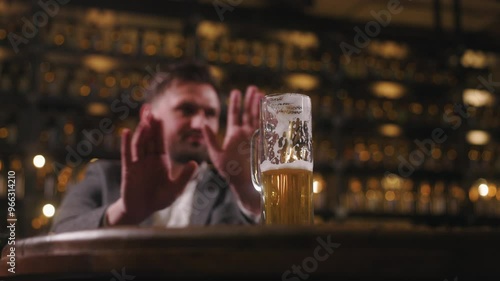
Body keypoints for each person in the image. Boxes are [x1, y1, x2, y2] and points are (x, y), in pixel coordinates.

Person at [51, 61, 263, 233]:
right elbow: (61, 234)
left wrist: (248, 195)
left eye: (210, 114)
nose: (200, 124)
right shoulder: (105, 175)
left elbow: (250, 255)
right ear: (148, 115)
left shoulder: (227, 187)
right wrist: (125, 211)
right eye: (186, 110)